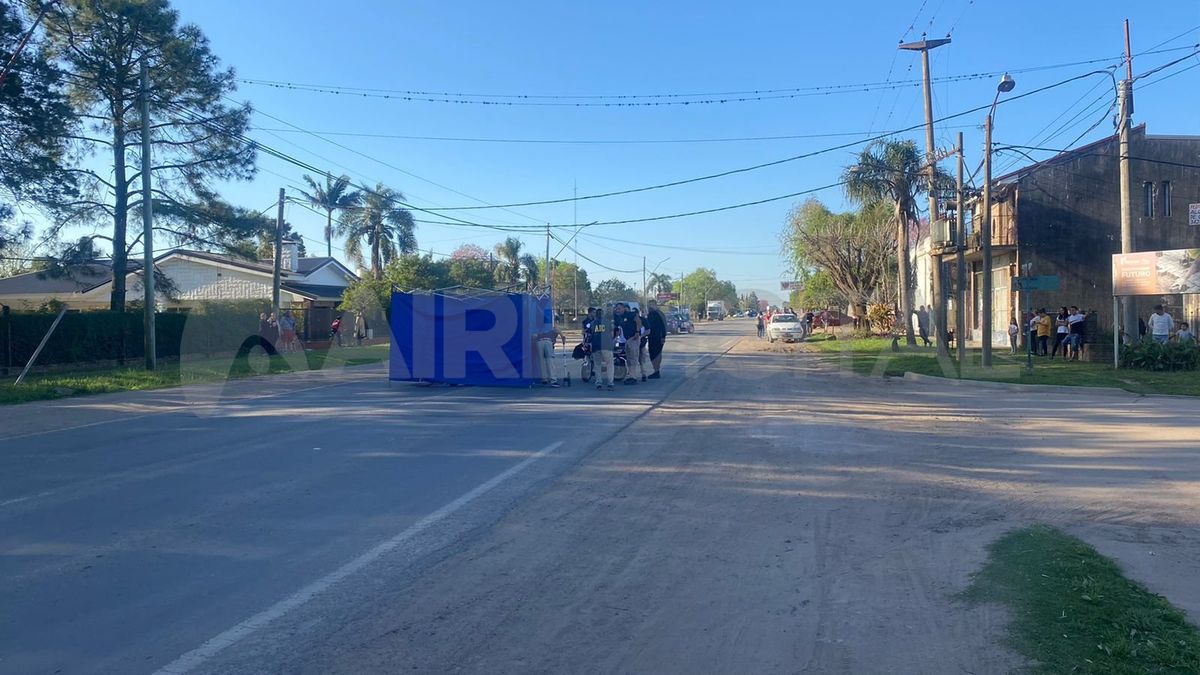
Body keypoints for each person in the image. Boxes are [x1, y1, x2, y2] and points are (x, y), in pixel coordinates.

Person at [615, 303, 641, 385]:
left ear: (624, 308)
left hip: (633, 338)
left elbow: (638, 321)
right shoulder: (619, 318)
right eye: (616, 308)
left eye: (619, 308)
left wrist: (637, 331)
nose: (617, 310)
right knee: (629, 359)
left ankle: (633, 377)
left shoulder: (630, 314)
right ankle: (631, 376)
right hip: (627, 340)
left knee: (633, 358)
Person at [590, 307, 615, 391]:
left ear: (596, 315)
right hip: (607, 346)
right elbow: (611, 334)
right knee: (610, 364)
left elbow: (591, 333)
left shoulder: (593, 323)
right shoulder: (608, 323)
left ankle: (598, 383)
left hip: (596, 346)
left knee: (597, 365)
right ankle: (610, 383)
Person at [645, 299, 668, 379]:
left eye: (651, 305)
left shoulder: (659, 314)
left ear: (655, 305)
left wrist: (663, 337)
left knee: (657, 353)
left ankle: (656, 371)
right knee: (652, 354)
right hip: (651, 337)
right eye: (649, 305)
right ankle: (655, 370)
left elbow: (664, 326)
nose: (649, 306)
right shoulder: (650, 314)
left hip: (658, 337)